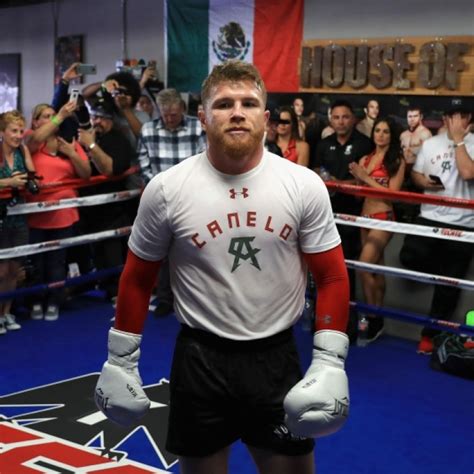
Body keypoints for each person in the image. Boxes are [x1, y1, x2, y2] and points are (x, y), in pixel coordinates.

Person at [95, 60, 351, 474]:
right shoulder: (167, 190)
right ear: (203, 116)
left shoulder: (302, 185)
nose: (237, 112)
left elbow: (333, 276)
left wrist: (329, 360)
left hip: (275, 358)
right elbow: (138, 278)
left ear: (265, 118)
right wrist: (120, 361)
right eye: (224, 104)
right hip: (200, 359)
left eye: (249, 103)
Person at [400, 98, 473, 355]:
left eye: (462, 115)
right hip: (430, 217)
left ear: (469, 120)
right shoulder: (431, 144)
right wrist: (425, 182)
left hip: (464, 222)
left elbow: (467, 172)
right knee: (408, 257)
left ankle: (429, 336)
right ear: (444, 118)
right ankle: (442, 270)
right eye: (452, 115)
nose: (456, 121)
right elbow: (416, 174)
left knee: (449, 285)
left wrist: (459, 141)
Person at [137, 87, 206, 317]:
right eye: (165, 114)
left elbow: (206, 159)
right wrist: (158, 190)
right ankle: (165, 299)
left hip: (194, 197)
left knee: (199, 249)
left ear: (182, 109)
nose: (169, 118)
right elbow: (143, 163)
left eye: (174, 114)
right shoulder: (148, 130)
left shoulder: (198, 126)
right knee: (164, 252)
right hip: (162, 200)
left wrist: (193, 190)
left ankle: (196, 299)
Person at [25, 101, 91, 321]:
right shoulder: (31, 143)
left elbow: (86, 174)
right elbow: (35, 138)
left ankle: (54, 300)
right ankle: (35, 300)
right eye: (45, 116)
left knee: (57, 262)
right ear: (35, 122)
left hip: (64, 214)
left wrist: (71, 153)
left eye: (52, 115)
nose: (51, 119)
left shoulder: (69, 141)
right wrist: (61, 115)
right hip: (36, 214)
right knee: (36, 263)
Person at [315, 99, 373, 341]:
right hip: (324, 214)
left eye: (345, 117)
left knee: (347, 269)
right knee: (321, 268)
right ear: (331, 120)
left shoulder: (364, 144)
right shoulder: (323, 144)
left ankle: (347, 322)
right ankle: (322, 318)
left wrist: (336, 184)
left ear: (354, 119)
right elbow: (316, 175)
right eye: (336, 117)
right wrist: (338, 184)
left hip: (353, 217)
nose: (340, 121)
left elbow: (362, 182)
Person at [349, 118, 405, 341]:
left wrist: (365, 177)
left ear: (392, 135)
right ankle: (378, 316)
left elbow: (394, 194)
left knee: (363, 266)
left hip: (384, 217)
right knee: (376, 268)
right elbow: (361, 192)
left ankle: (374, 318)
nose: (381, 135)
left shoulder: (396, 160)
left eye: (386, 131)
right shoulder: (366, 158)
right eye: (378, 131)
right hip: (365, 216)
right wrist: (355, 180)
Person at [76, 103, 134, 301]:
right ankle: (98, 287)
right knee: (93, 253)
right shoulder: (87, 137)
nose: (97, 121)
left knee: (113, 255)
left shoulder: (119, 141)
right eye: (95, 117)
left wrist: (91, 146)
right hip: (88, 210)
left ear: (112, 120)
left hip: (113, 211)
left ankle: (119, 294)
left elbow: (109, 169)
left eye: (102, 117)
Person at [0, 110, 36, 333]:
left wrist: (27, 181)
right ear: (2, 132)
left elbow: (32, 176)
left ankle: (7, 313)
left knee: (14, 270)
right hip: (1, 218)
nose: (18, 135)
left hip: (19, 217)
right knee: (1, 271)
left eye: (21, 131)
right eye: (14, 131)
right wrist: (8, 182)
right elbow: (11, 181)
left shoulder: (22, 150)